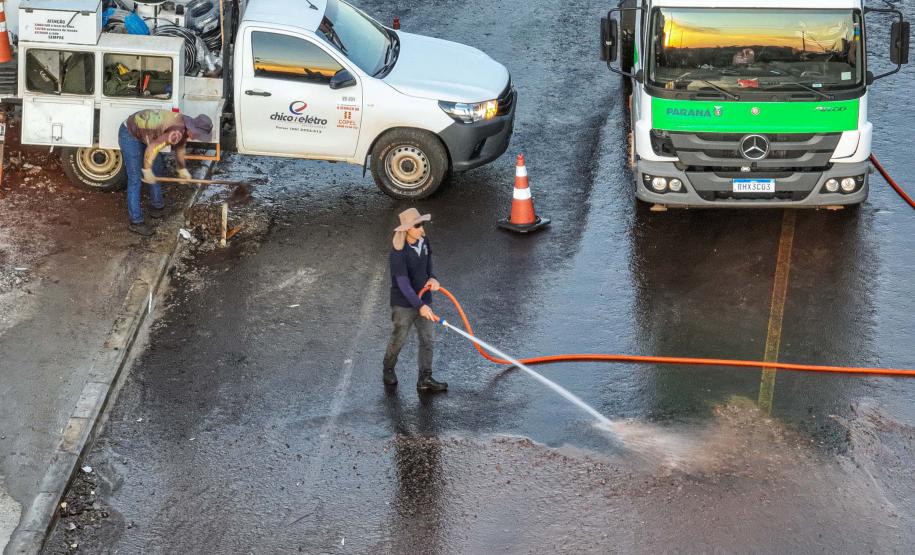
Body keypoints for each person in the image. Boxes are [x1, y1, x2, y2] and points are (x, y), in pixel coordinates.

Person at [382, 208, 448, 393]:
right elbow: (402, 283)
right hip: (403, 304)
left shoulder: (424, 241)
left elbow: (428, 262)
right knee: (399, 338)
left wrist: (432, 277)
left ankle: (425, 378)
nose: (421, 228)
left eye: (422, 224)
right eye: (417, 225)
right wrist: (419, 306)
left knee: (428, 338)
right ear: (407, 229)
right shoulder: (398, 253)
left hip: (424, 299)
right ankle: (388, 369)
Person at [118, 109, 213, 236]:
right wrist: (146, 170)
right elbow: (152, 149)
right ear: (194, 129)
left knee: (157, 169)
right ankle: (136, 222)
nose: (197, 138)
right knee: (135, 179)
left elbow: (180, 147)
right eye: (198, 135)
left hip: (146, 133)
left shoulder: (185, 124)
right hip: (130, 132)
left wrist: (182, 168)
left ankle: (156, 207)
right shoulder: (176, 131)